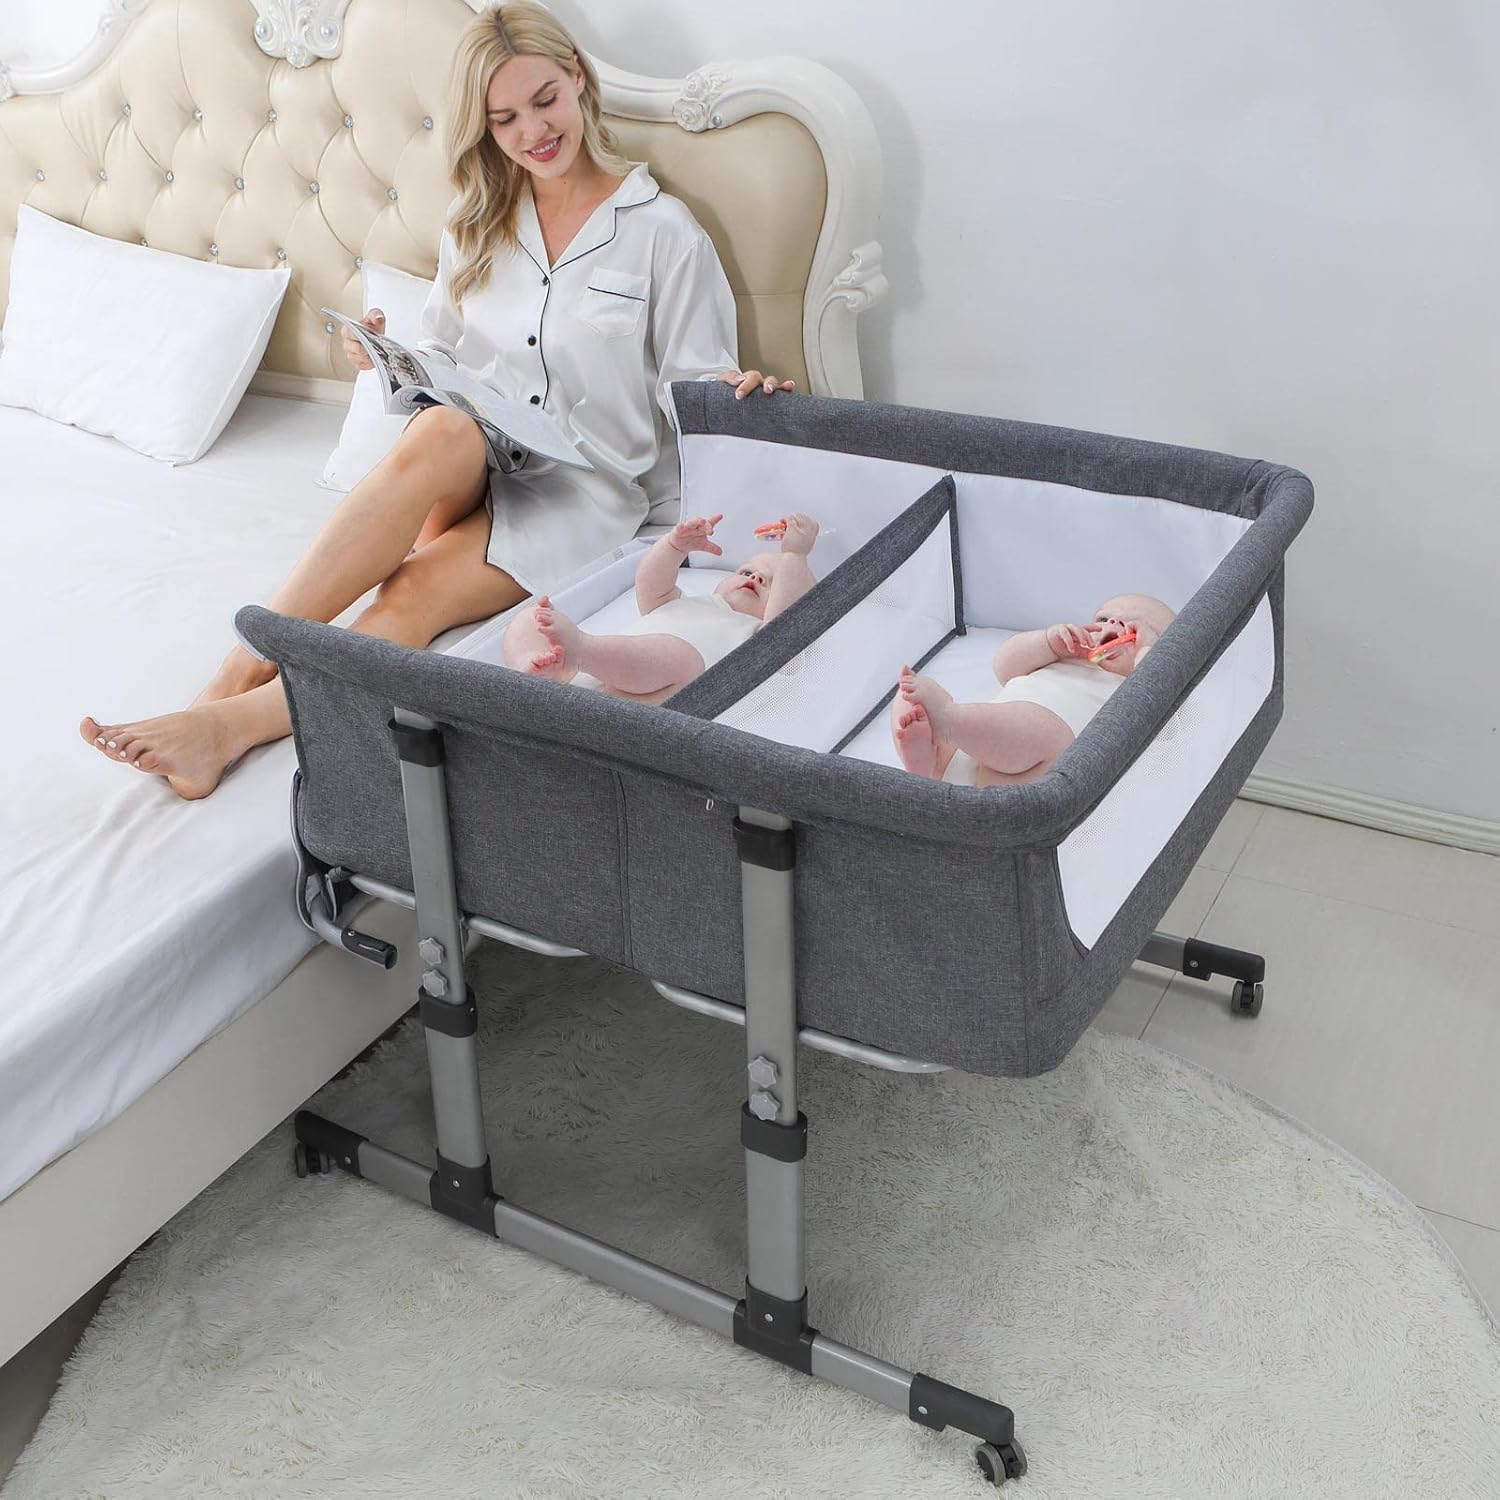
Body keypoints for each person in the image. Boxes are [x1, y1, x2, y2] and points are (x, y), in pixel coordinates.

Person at [79, 1, 793, 799]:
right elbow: (449, 361)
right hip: (471, 454)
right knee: (446, 429)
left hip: (580, 491)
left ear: (578, 81)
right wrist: (388, 357)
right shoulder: (478, 222)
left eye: (545, 100)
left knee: (413, 590)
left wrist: (745, 391)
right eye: (505, 119)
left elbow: (696, 387)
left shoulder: (663, 231)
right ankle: (233, 672)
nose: (533, 132)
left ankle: (224, 728)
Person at [502, 512, 819, 703]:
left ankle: (581, 649)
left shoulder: (758, 638)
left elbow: (786, 621)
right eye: (746, 571)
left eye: (771, 582)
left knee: (682, 659)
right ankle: (533, 669)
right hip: (576, 678)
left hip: (647, 699)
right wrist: (674, 546)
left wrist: (795, 556)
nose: (755, 578)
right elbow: (649, 581)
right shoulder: (683, 603)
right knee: (530, 618)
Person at [890, 594, 1176, 786]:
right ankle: (930, 762)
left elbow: (1166, 727)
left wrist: (1147, 663)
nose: (1113, 625)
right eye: (1103, 619)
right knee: (907, 701)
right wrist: (1048, 643)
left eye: (1135, 630)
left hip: (1036, 774)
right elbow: (1004, 667)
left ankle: (949, 720)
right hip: (974, 749)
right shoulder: (1063, 655)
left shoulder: (1134, 689)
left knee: (1046, 732)